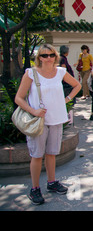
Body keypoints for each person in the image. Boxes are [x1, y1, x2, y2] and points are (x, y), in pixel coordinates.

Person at [15, 44, 81, 205]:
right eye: (44, 55)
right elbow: (19, 98)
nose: (48, 58)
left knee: (52, 153)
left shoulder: (60, 72)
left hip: (57, 118)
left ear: (55, 56)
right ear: (39, 58)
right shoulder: (31, 74)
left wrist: (66, 99)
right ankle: (35, 188)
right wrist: (33, 111)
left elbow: (77, 85)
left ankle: (52, 182)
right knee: (37, 155)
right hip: (39, 121)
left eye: (51, 54)